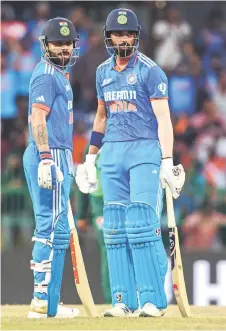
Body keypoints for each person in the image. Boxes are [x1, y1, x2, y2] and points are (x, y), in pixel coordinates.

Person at [76, 8, 185, 317]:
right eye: (117, 34)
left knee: (142, 224)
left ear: (136, 37)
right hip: (112, 152)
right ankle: (123, 300)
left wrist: (167, 160)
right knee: (113, 227)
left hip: (145, 151)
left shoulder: (151, 71)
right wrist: (90, 158)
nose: (123, 38)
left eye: (128, 34)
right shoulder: (102, 72)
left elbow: (164, 119)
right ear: (108, 37)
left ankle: (153, 300)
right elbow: (101, 116)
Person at [23, 17, 80, 318]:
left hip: (55, 153)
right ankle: (42, 299)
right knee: (49, 225)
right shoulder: (47, 74)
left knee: (50, 224)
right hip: (50, 154)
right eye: (58, 43)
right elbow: (37, 118)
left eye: (68, 42)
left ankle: (45, 300)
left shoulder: (59, 73)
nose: (64, 48)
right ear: (46, 45)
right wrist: (46, 157)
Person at [75, 145, 111, 303]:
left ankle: (128, 295)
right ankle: (112, 299)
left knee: (118, 248)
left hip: (120, 199)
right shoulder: (92, 146)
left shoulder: (123, 138)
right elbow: (83, 181)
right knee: (108, 249)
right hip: (100, 203)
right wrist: (82, 214)